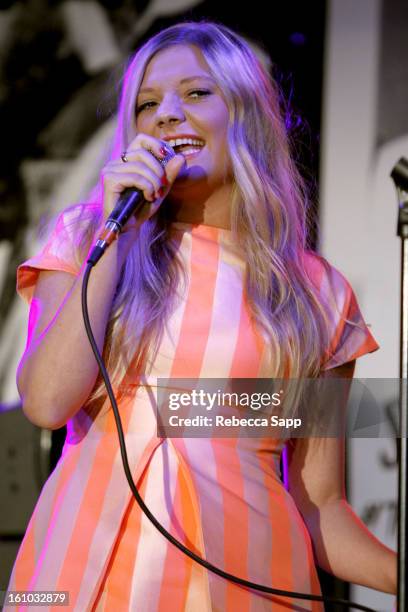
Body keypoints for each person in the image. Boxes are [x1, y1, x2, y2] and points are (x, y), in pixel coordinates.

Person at [7, 21, 396, 611]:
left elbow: (321, 508)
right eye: (146, 104)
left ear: (246, 113)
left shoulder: (318, 294)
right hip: (81, 578)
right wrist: (115, 237)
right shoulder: (86, 240)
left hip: (250, 581)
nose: (165, 114)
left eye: (195, 93)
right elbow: (47, 402)